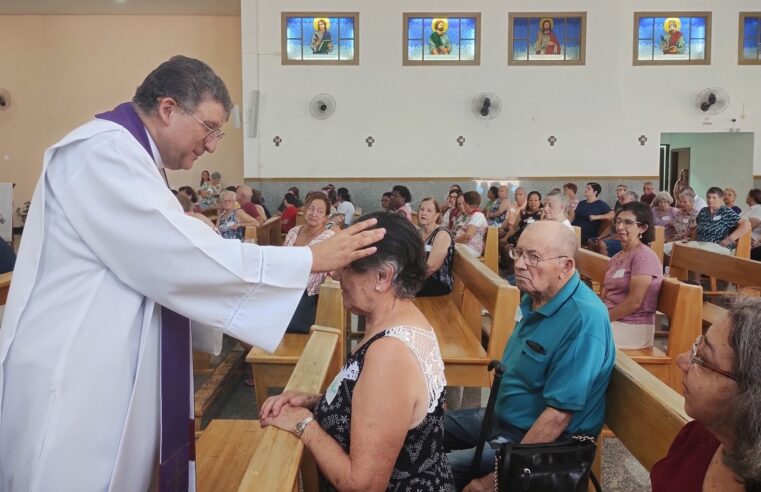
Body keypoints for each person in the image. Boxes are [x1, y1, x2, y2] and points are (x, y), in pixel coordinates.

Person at [0, 55, 385, 492]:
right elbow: (177, 258)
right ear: (169, 109)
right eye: (210, 128)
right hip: (78, 373)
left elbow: (165, 249)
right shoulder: (102, 152)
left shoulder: (134, 158)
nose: (212, 144)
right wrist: (309, 259)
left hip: (109, 365)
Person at [260, 212, 455, 491]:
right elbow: (381, 407)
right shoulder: (398, 319)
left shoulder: (390, 354)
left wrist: (304, 424)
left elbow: (362, 485)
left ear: (382, 277)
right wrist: (319, 402)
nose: (334, 273)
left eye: (347, 266)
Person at [444, 221, 615, 489]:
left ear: (566, 267)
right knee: (420, 430)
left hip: (535, 442)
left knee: (433, 469)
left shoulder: (584, 320)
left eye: (533, 257)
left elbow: (557, 417)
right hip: (501, 418)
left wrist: (496, 481)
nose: (520, 264)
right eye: (518, 252)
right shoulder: (537, 296)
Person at [651, 297, 761, 491]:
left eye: (702, 359)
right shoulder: (697, 436)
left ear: (752, 397)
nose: (681, 360)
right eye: (697, 345)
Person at [602, 202, 663, 349]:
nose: (620, 227)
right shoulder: (617, 256)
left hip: (634, 327)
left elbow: (634, 302)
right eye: (618, 221)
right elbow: (607, 293)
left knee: (578, 339)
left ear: (643, 227)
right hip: (613, 321)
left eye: (628, 222)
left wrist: (601, 319)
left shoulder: (643, 256)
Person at [282, 193, 335, 334]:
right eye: (311, 209)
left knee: (288, 326)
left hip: (308, 293)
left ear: (325, 217)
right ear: (305, 210)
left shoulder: (328, 237)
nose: (314, 214)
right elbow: (282, 258)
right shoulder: (294, 231)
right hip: (285, 286)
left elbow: (312, 264)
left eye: (320, 211)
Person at [686, 187, 750, 256]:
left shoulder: (726, 211)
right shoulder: (703, 211)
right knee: (682, 247)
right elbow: (697, 227)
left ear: (721, 199)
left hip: (717, 245)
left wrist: (730, 239)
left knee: (698, 252)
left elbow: (746, 224)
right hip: (700, 243)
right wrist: (692, 240)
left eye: (714, 197)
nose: (710, 200)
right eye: (708, 197)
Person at [417, 198, 454, 297]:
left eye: (429, 210)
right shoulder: (419, 232)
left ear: (437, 215)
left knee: (398, 290)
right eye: (422, 209)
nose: (423, 213)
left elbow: (431, 267)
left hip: (438, 282)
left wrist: (410, 281)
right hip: (421, 277)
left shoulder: (441, 234)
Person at [454, 191, 488, 257]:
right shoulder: (471, 215)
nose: (462, 206)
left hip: (472, 249)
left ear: (468, 204)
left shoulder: (478, 215)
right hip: (465, 246)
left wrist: (454, 242)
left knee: (447, 248)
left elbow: (468, 236)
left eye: (463, 203)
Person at [743, 189, 761, 261]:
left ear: (752, 197)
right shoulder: (747, 209)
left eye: (747, 195)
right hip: (740, 237)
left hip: (748, 239)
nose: (746, 197)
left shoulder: (758, 208)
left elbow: (751, 225)